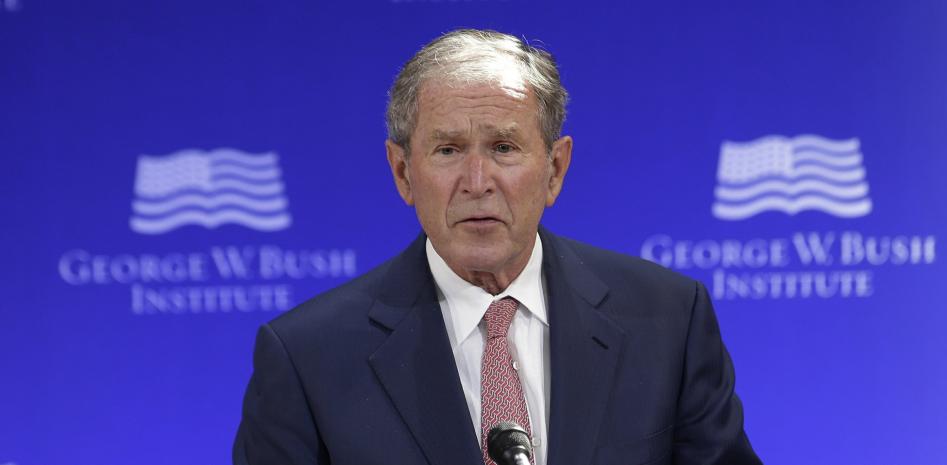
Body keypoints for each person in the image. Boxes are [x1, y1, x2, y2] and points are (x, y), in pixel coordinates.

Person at [233, 29, 761, 465]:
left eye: (504, 147)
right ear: (403, 173)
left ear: (555, 169)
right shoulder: (308, 358)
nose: (477, 180)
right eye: (448, 149)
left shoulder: (669, 320)